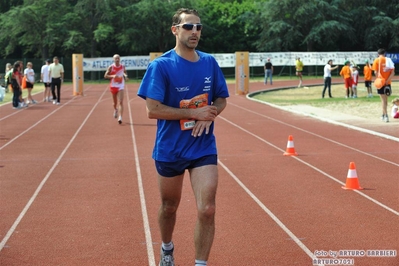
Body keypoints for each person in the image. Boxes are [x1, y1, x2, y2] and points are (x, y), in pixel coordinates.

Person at [137, 8, 229, 266]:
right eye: (189, 27)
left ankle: (201, 263)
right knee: (169, 206)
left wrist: (210, 114)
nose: (195, 32)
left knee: (207, 208)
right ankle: (167, 247)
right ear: (175, 30)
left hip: (202, 146)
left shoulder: (209, 62)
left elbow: (221, 99)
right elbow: (152, 109)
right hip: (171, 149)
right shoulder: (161, 66)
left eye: (198, 27)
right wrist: (193, 112)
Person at [372, 48, 395, 123]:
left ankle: (385, 115)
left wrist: (378, 79)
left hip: (380, 82)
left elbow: (375, 72)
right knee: (386, 99)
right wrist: (387, 80)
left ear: (378, 54)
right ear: (385, 53)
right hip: (387, 82)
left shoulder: (376, 60)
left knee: (382, 100)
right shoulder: (389, 60)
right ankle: (383, 114)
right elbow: (393, 73)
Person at [104, 54, 128, 124]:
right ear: (113, 59)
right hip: (113, 86)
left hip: (121, 85)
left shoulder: (122, 66)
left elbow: (124, 72)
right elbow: (105, 76)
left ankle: (120, 117)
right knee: (115, 103)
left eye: (118, 58)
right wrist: (113, 76)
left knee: (120, 101)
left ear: (119, 59)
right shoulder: (111, 67)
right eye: (116, 58)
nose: (117, 60)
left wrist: (125, 76)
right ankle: (115, 109)